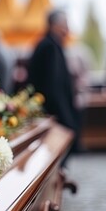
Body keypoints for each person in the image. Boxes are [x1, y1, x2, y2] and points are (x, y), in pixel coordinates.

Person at [27, 9, 77, 166]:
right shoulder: (49, 47)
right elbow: (53, 87)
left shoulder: (51, 44)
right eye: (65, 25)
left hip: (53, 114)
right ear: (55, 25)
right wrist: (66, 118)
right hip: (53, 116)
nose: (67, 30)